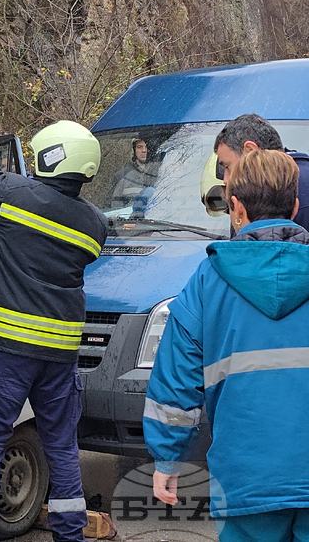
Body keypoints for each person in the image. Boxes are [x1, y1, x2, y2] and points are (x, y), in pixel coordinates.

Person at [0, 60, 106, 542]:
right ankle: (70, 535)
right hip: (59, 359)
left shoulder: (15, 197)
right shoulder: (94, 225)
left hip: (7, 355)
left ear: (50, 157)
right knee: (61, 448)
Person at [145, 149, 309, 542]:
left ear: (235, 207)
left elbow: (175, 381)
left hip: (245, 479)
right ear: (296, 206)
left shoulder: (207, 282)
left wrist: (167, 459)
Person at [214, 113, 309, 230]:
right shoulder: (296, 182)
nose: (226, 180)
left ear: (250, 150)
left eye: (227, 167)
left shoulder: (259, 190)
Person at [107, 138, 158, 209]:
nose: (143, 150)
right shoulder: (123, 175)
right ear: (134, 151)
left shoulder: (160, 172)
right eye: (139, 147)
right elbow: (114, 206)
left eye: (146, 147)